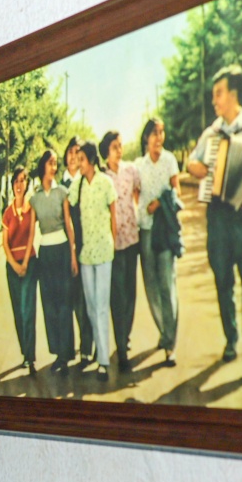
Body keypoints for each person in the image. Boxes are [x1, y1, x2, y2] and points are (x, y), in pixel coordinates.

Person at [185, 65, 242, 382]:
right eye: (213, 95)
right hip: (219, 218)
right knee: (223, 283)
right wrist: (203, 169)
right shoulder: (211, 134)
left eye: (218, 94)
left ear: (233, 95)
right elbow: (192, 163)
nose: (214, 101)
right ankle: (230, 341)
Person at [133, 117, 182, 366]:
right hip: (145, 230)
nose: (159, 138)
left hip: (164, 229)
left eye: (162, 133)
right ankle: (164, 332)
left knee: (167, 285)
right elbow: (135, 197)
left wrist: (160, 203)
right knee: (151, 285)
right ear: (146, 137)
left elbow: (177, 191)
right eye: (154, 133)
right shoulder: (138, 166)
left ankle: (170, 344)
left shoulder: (170, 160)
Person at [70, 140, 118, 380]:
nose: (78, 163)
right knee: (91, 307)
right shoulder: (77, 185)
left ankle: (103, 360)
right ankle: (101, 351)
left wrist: (114, 245)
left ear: (89, 160)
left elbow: (114, 217)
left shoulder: (106, 182)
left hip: (104, 252)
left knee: (101, 306)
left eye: (81, 159)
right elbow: (66, 208)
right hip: (86, 254)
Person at [28, 149, 78, 373]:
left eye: (56, 163)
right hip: (45, 255)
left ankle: (67, 355)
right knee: (49, 306)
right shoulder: (35, 199)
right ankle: (57, 354)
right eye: (50, 163)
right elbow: (31, 232)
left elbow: (69, 224)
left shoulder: (62, 192)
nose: (54, 167)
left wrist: (73, 255)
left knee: (65, 303)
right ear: (42, 167)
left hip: (63, 250)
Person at [101, 131, 143, 367]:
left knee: (130, 292)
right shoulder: (102, 176)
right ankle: (122, 349)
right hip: (113, 246)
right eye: (115, 146)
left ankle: (125, 338)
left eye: (120, 145)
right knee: (117, 297)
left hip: (132, 240)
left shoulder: (131, 170)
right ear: (106, 150)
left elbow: (137, 192)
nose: (119, 149)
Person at [62, 137, 95, 364]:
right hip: (64, 251)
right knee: (71, 301)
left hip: (86, 247)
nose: (73, 156)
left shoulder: (86, 182)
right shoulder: (60, 186)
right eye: (70, 152)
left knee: (86, 299)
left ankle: (87, 346)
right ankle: (71, 348)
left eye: (77, 152)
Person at [1, 166, 37, 372]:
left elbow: (32, 235)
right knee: (18, 311)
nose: (18, 184)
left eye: (22, 180)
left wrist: (24, 264)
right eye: (15, 180)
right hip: (12, 267)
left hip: (30, 263)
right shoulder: (8, 213)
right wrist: (15, 265)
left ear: (27, 184)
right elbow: (5, 244)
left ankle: (30, 358)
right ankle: (25, 352)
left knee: (28, 309)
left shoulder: (31, 209)